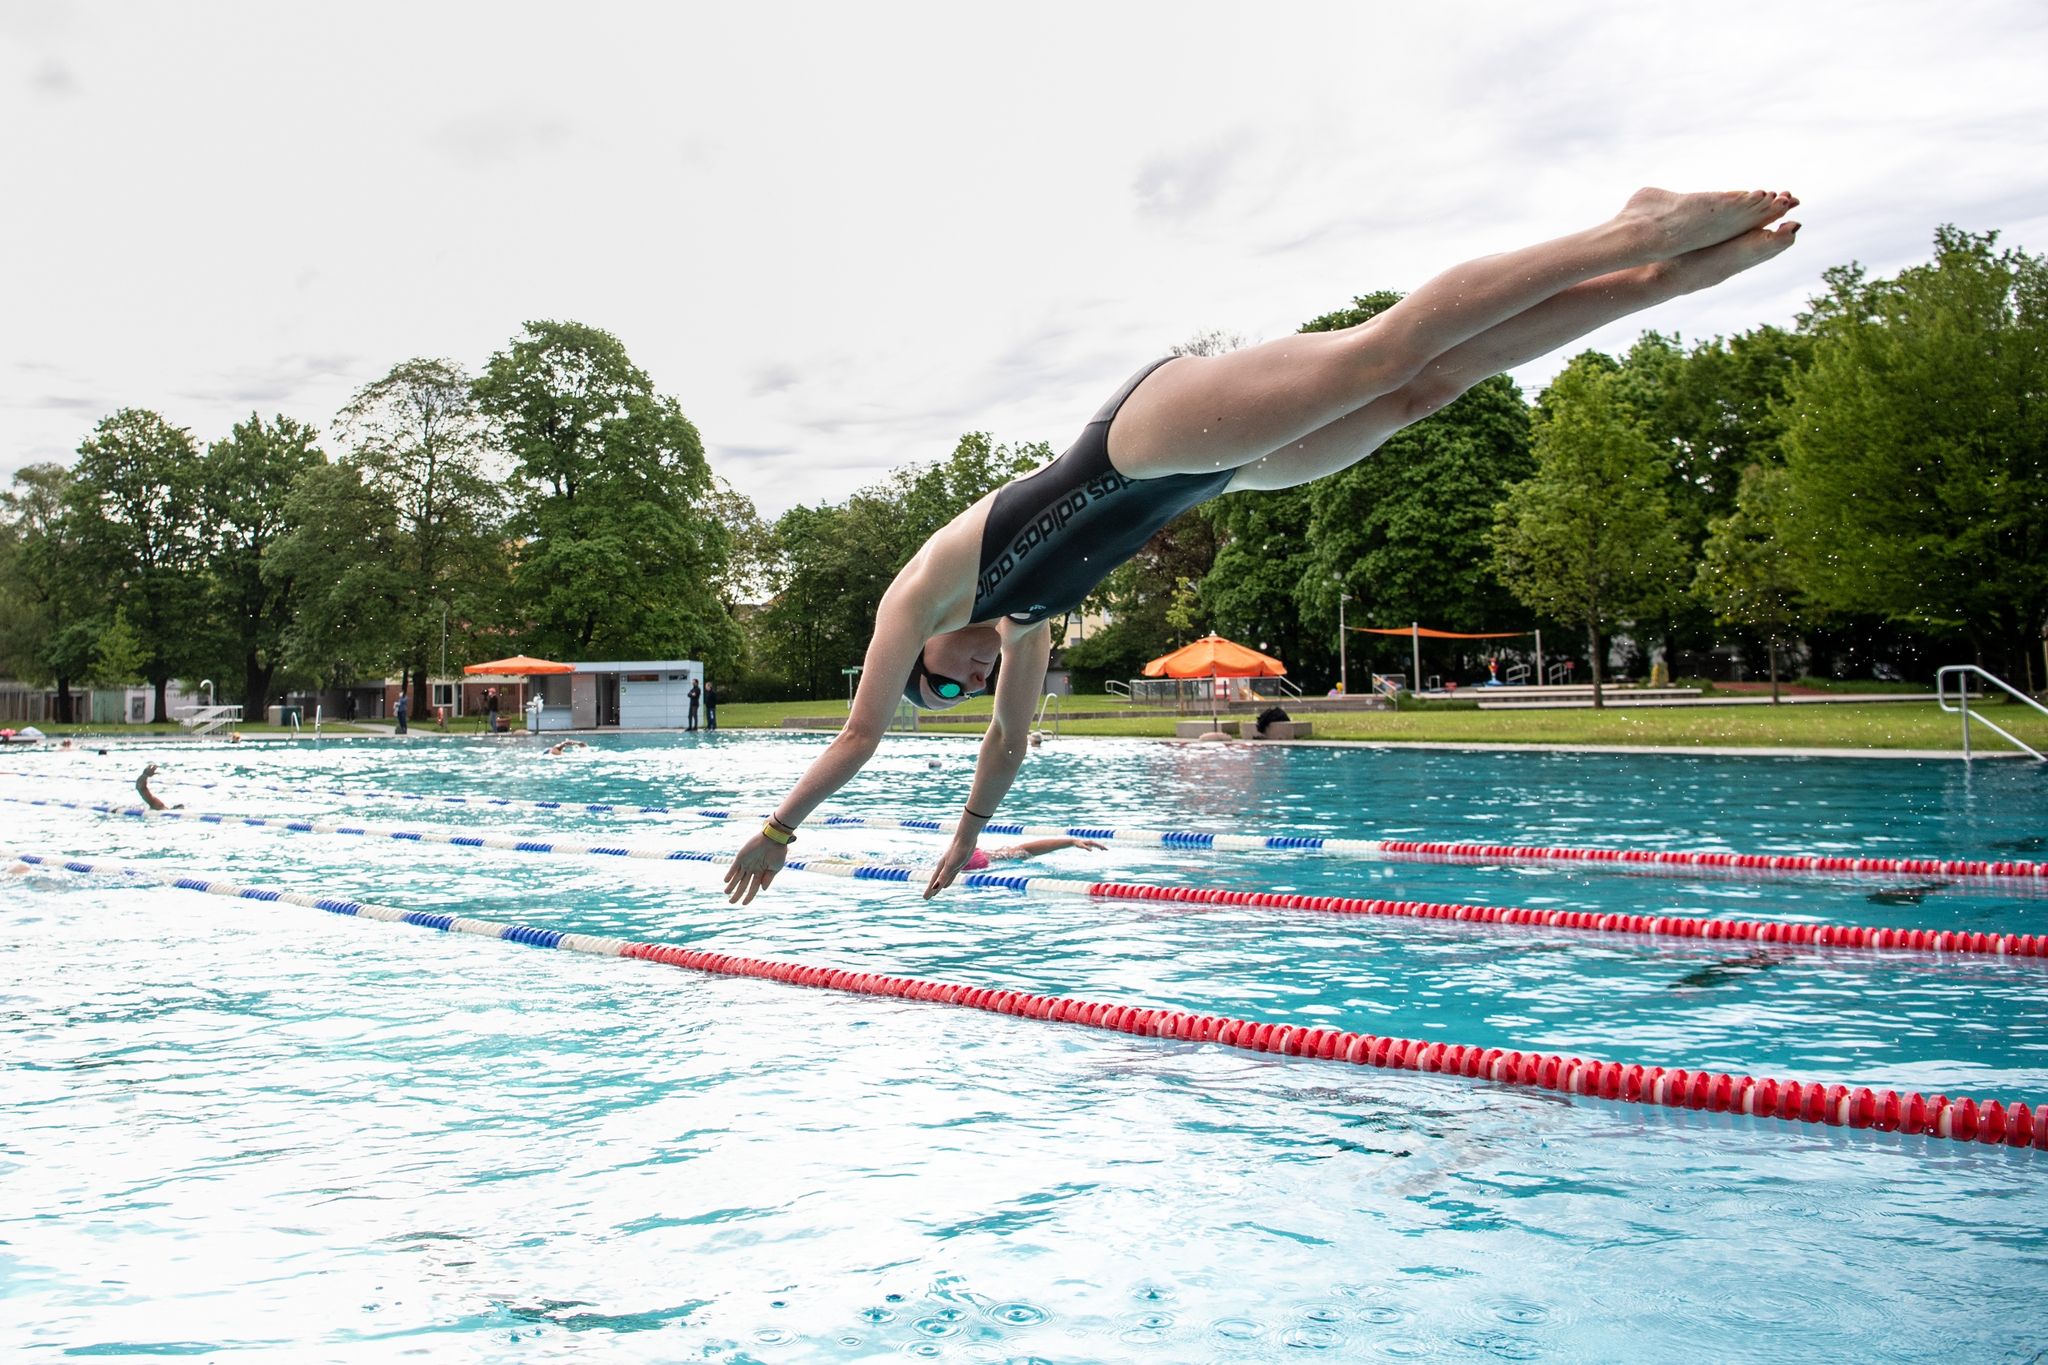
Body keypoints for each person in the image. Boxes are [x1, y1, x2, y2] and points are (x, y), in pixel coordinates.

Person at [725, 187, 1801, 905]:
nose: (968, 690)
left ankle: (1632, 230)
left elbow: (862, 734)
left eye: (945, 691)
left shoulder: (922, 590)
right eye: (959, 699)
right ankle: (1651, 285)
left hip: (1139, 439)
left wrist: (777, 829)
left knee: (1383, 355)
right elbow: (1009, 743)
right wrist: (967, 832)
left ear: (920, 654)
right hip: (1220, 471)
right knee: (1425, 393)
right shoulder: (1031, 626)